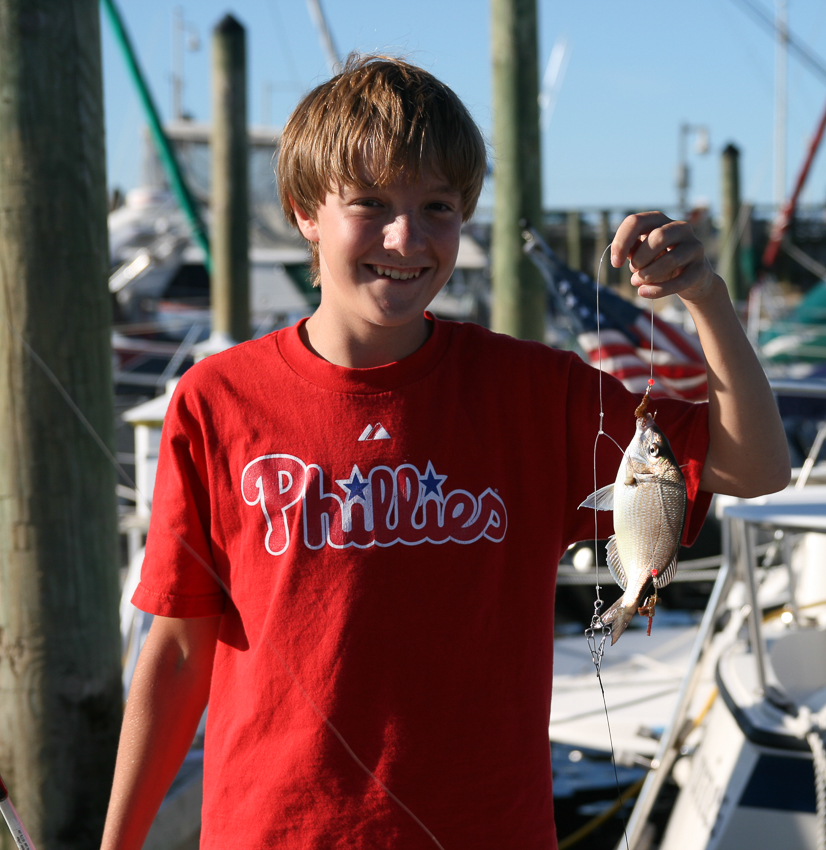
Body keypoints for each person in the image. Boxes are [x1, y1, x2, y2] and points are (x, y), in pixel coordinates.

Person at [100, 55, 788, 850]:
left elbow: (755, 468)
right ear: (302, 213)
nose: (406, 237)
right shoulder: (215, 401)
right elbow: (180, 651)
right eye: (369, 203)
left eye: (436, 206)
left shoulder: (536, 391)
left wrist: (707, 299)